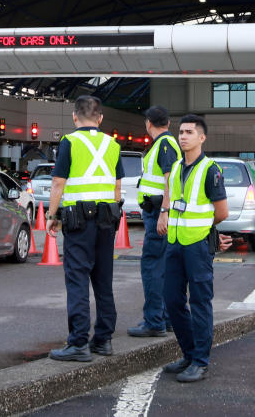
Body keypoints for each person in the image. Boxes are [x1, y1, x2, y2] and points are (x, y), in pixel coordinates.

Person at [46, 95, 124, 362]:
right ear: (100, 118)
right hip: (106, 220)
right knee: (103, 280)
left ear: (74, 117)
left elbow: (58, 183)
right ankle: (103, 340)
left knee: (77, 278)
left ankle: (78, 342)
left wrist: (52, 214)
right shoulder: (113, 144)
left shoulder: (70, 142)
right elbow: (116, 187)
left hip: (79, 220)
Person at [157, 114, 229, 383]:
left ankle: (200, 361)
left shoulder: (210, 169)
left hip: (197, 245)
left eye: (189, 132)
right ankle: (188, 353)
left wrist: (203, 230)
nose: (183, 136)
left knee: (199, 302)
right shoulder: (176, 167)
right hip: (174, 243)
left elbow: (221, 211)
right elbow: (170, 195)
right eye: (181, 132)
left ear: (202, 137)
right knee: (173, 300)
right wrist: (164, 213)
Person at [128, 105, 181, 338]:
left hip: (158, 214)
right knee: (163, 268)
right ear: (168, 123)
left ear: (148, 123)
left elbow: (170, 179)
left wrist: (164, 212)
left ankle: (154, 321)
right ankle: (166, 318)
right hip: (158, 212)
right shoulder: (165, 144)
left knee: (152, 267)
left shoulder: (165, 145)